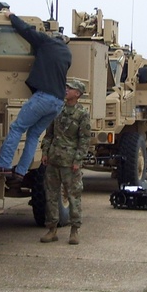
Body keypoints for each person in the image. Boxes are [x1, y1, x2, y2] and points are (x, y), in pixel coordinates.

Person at [0, 10, 72, 183]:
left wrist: (11, 17)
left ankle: (4, 164)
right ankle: (21, 171)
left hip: (43, 97)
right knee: (33, 135)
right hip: (58, 102)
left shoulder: (45, 42)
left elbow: (26, 31)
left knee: (17, 128)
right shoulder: (67, 54)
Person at [39, 79, 91, 245]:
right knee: (51, 196)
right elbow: (49, 134)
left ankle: (74, 230)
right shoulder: (58, 109)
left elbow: (84, 140)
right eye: (66, 87)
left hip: (70, 163)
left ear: (78, 94)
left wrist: (78, 160)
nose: (66, 90)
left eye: (70, 88)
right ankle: (52, 229)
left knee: (73, 196)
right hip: (54, 159)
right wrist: (45, 152)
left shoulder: (82, 114)